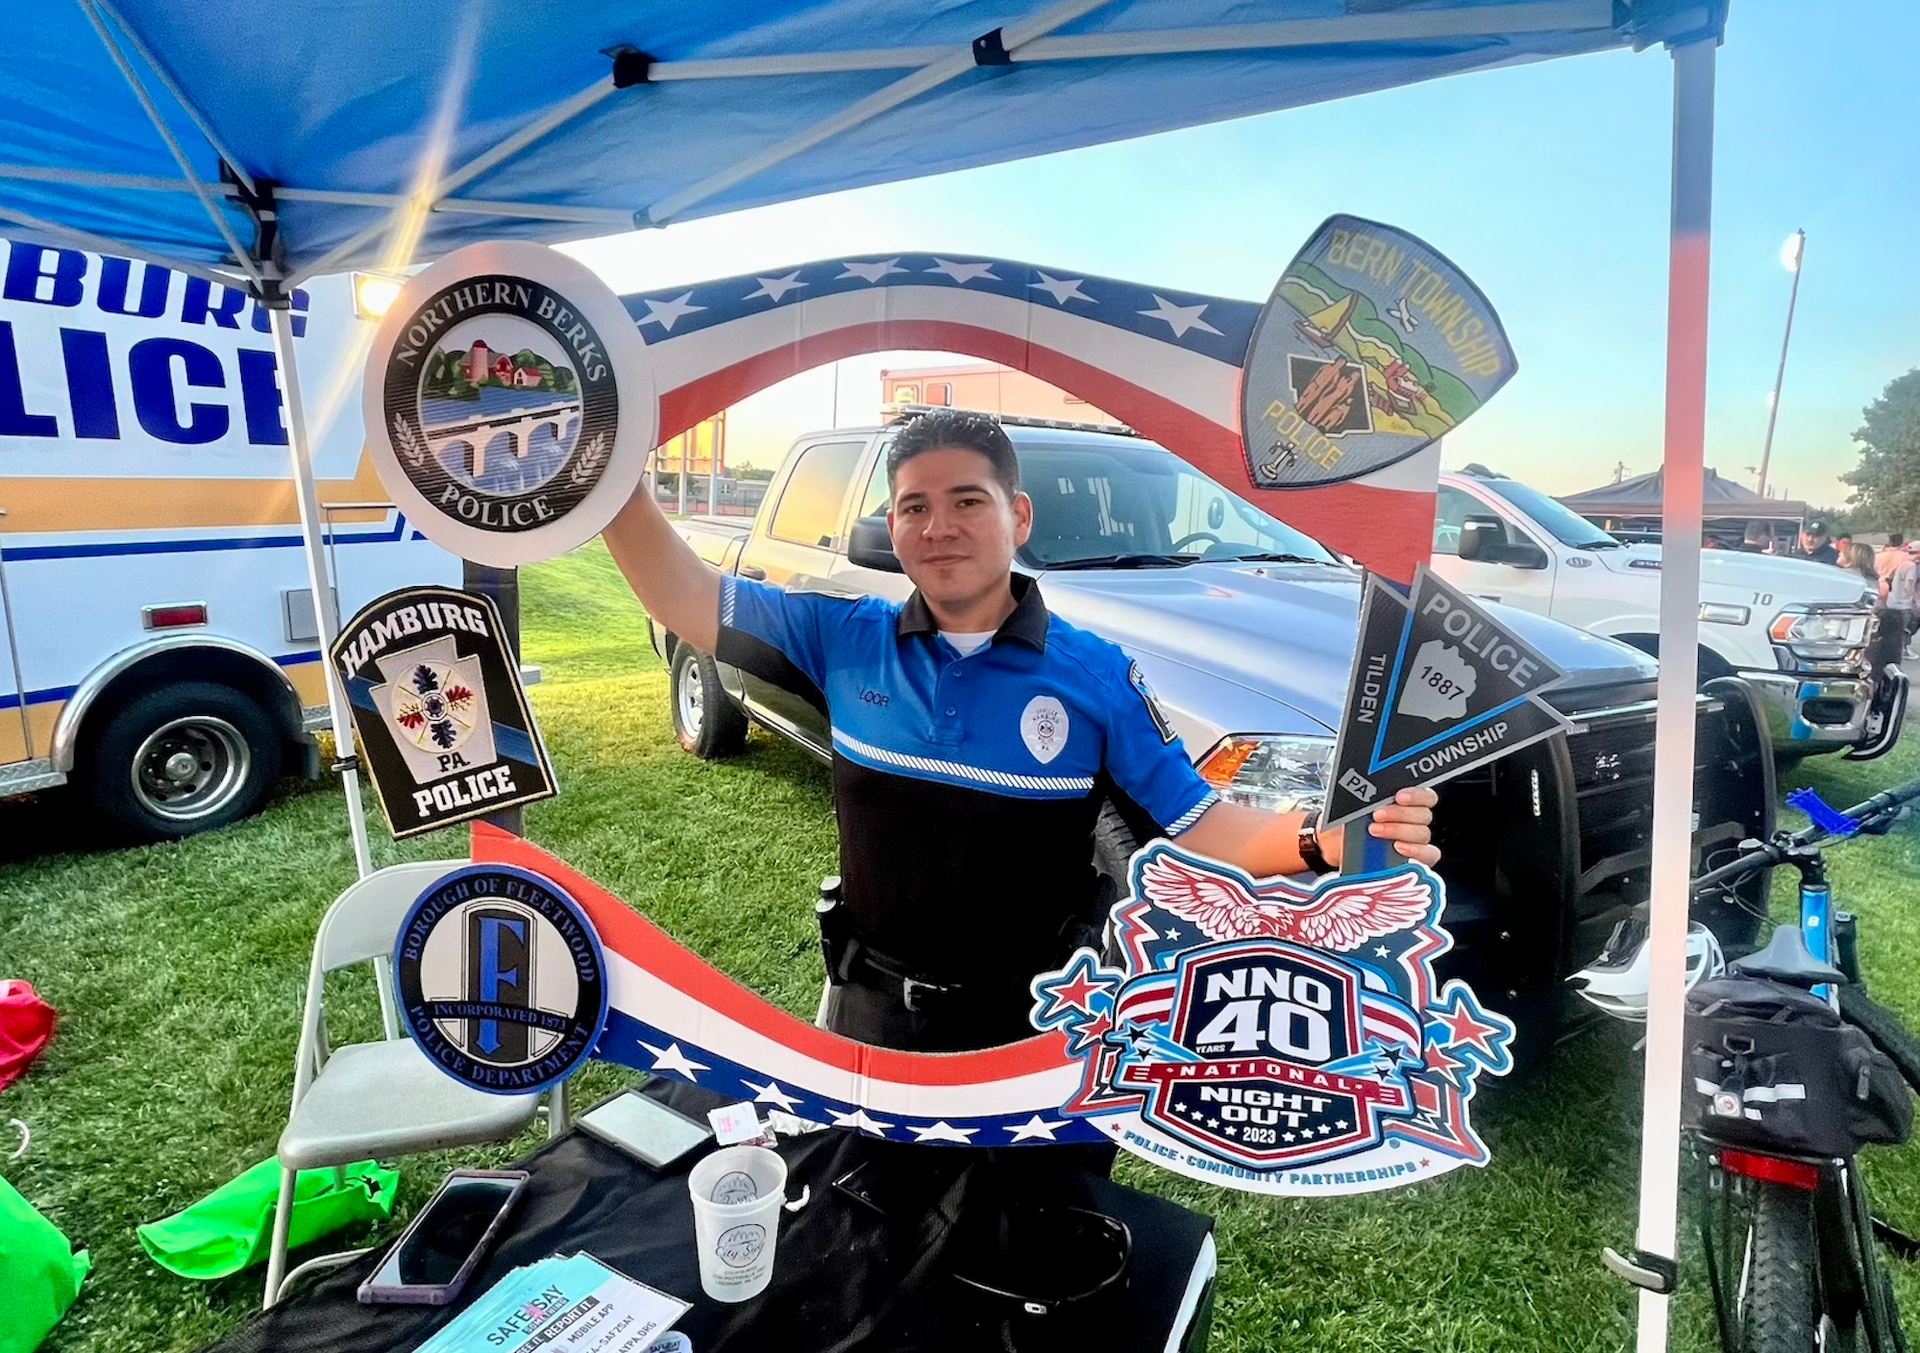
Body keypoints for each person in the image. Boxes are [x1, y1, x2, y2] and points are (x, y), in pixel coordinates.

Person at [603, 410, 1439, 1054]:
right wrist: (604, 476)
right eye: (914, 506)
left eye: (969, 500)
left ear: (1019, 514)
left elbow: (1207, 827)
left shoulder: (1095, 674)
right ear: (891, 527)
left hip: (1038, 1025)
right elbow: (683, 592)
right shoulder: (841, 639)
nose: (940, 527)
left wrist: (1328, 841)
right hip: (870, 1011)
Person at [1876, 533, 1909, 604]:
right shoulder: (1904, 556)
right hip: (1895, 587)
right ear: (1902, 542)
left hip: (1879, 585)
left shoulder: (1879, 556)